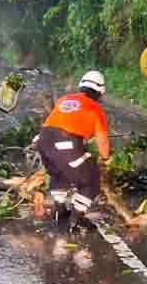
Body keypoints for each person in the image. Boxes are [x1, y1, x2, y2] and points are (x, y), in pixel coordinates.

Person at [36, 71, 111, 230]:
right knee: (90, 179)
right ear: (100, 92)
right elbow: (102, 141)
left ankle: (60, 209)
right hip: (66, 142)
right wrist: (105, 158)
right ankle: (77, 217)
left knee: (60, 173)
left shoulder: (64, 99)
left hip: (43, 140)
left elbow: (64, 121)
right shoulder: (96, 108)